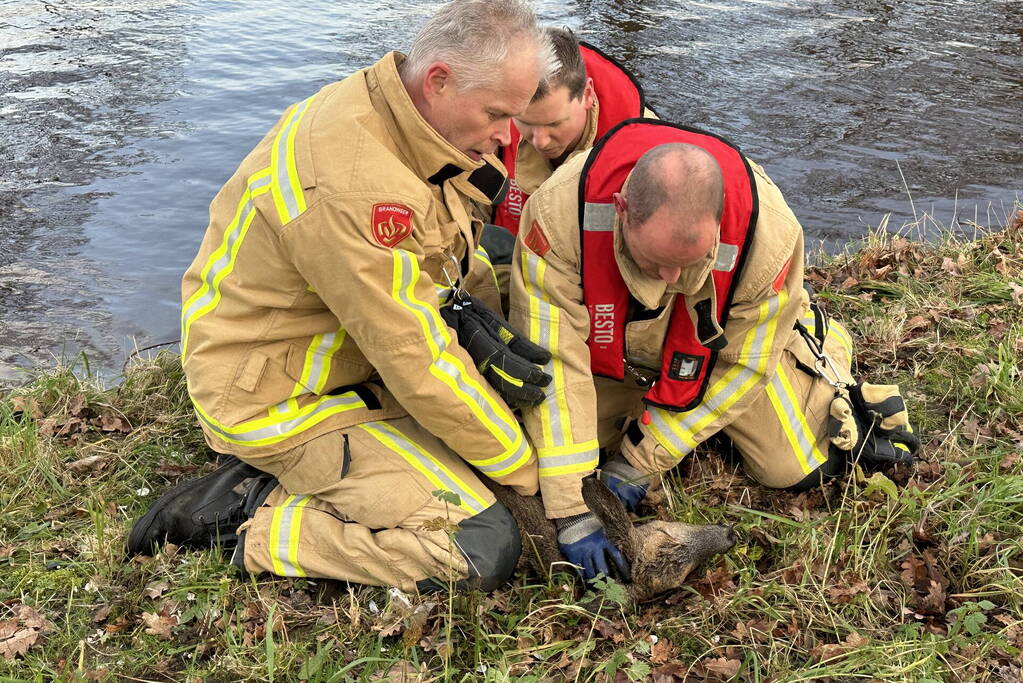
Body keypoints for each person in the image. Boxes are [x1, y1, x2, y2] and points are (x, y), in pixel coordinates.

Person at [127, 0, 561, 594]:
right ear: (438, 80)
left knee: (502, 253)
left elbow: (434, 257)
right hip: (278, 395)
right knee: (479, 546)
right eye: (496, 114)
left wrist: (467, 313)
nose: (507, 137)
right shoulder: (352, 184)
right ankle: (251, 518)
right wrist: (526, 468)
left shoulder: (400, 112)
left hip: (341, 355)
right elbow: (412, 357)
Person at [508, 120, 918, 580]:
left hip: (716, 350)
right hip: (607, 350)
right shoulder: (559, 214)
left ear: (719, 224)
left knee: (796, 468)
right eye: (656, 261)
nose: (671, 279)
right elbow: (555, 361)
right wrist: (571, 508)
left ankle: (818, 341)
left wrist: (639, 462)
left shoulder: (770, 237)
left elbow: (742, 367)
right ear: (621, 210)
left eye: (687, 263)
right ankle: (664, 412)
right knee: (562, 457)